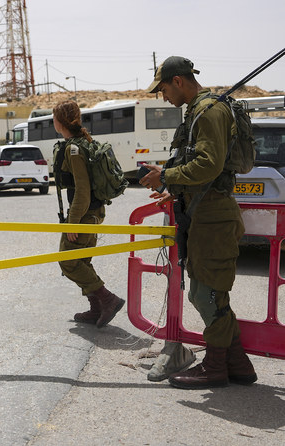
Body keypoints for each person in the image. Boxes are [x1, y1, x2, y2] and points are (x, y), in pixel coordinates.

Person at [140, 56, 257, 389]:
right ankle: (236, 363)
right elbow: (204, 170)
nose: (163, 97)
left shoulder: (209, 112)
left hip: (214, 218)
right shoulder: (199, 110)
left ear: (178, 81)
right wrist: (175, 191)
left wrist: (165, 175)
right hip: (205, 211)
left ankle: (216, 368)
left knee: (206, 294)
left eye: (163, 89)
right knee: (209, 293)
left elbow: (207, 165)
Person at [52, 101, 124, 328]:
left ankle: (107, 299)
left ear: (59, 122)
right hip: (93, 213)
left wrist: (72, 223)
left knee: (68, 261)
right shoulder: (83, 142)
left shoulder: (74, 149)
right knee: (81, 260)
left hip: (84, 215)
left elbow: (82, 190)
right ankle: (96, 308)